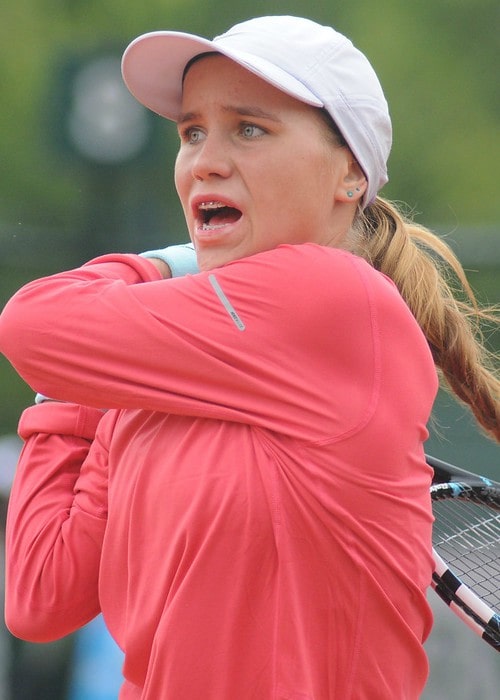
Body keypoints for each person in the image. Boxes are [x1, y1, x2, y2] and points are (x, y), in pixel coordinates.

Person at [0, 15, 498, 699]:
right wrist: (80, 381)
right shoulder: (161, 381)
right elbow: (41, 595)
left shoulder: (336, 296)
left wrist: (149, 276)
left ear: (349, 174)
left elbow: (30, 324)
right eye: (192, 132)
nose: (204, 159)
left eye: (250, 128)